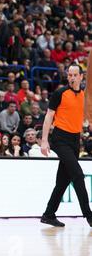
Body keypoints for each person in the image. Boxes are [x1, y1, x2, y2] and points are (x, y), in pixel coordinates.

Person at [40, 64, 92, 227]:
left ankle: (48, 214)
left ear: (81, 77)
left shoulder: (84, 95)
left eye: (75, 75)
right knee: (77, 174)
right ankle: (89, 215)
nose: (72, 78)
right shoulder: (60, 93)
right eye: (69, 75)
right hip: (60, 139)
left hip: (75, 140)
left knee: (63, 181)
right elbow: (48, 117)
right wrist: (44, 140)